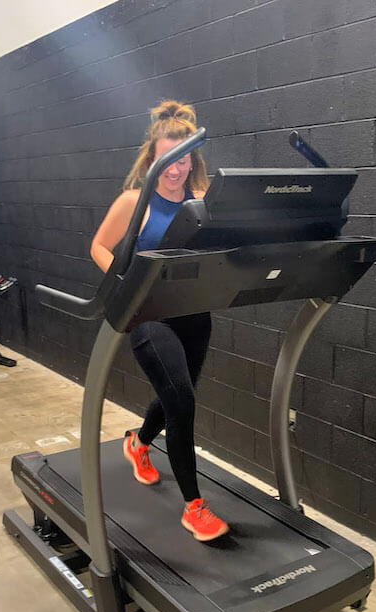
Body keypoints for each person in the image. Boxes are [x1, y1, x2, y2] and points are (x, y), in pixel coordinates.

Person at [90, 100, 229, 542]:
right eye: (167, 159)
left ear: (192, 160)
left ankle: (138, 443)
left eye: (183, 160)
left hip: (194, 313)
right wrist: (126, 286)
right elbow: (99, 246)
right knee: (182, 402)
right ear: (152, 158)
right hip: (150, 316)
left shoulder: (202, 200)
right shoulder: (135, 201)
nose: (175, 169)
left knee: (177, 395)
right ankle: (194, 507)